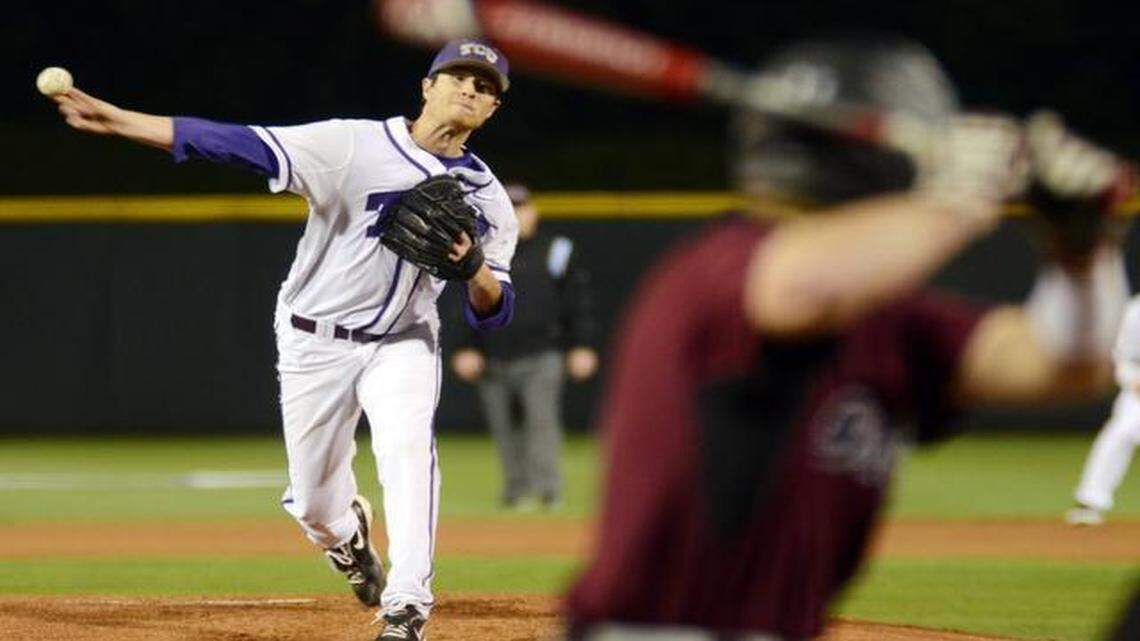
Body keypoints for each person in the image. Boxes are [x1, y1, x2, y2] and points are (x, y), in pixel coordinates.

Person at [563, 36, 1133, 640]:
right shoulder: (719, 267)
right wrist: (961, 200)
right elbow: (797, 292)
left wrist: (1083, 253)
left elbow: (1065, 365)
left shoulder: (888, 317)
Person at [49, 39, 520, 641]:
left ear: (492, 110)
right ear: (427, 87)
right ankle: (347, 538)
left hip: (404, 339)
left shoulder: (491, 202)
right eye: (457, 77)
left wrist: (474, 268)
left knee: (407, 454)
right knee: (316, 506)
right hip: (313, 340)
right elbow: (236, 143)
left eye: (484, 87)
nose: (470, 90)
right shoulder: (352, 144)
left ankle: (408, 603)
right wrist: (120, 120)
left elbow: (494, 311)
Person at [450, 184, 598, 510]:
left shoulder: (557, 250)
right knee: (503, 427)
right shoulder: (483, 251)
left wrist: (582, 345)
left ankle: (548, 491)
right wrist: (464, 348)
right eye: (511, 207)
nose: (518, 214)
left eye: (522, 207)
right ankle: (517, 491)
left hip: (543, 352)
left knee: (541, 422)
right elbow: (466, 302)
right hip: (493, 355)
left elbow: (578, 302)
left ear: (534, 212)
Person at [1067, 295, 1140, 526]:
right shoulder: (1137, 310)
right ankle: (1091, 502)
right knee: (1121, 432)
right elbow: (1123, 357)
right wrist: (1132, 379)